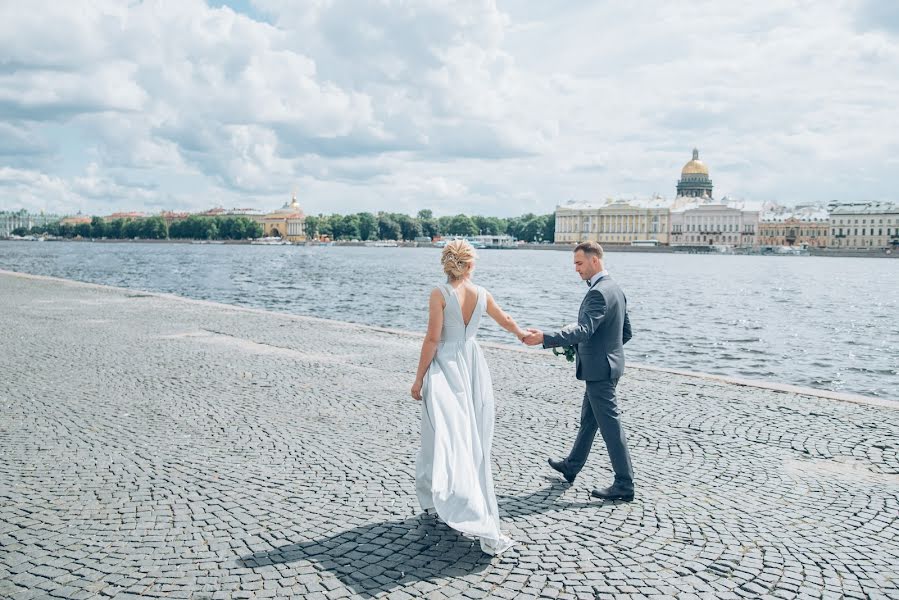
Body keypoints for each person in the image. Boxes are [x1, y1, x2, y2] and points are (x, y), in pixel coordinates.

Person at [411, 240, 525, 555]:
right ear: (470, 265)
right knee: (472, 436)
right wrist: (523, 335)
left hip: (446, 368)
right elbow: (506, 322)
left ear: (446, 264)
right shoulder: (481, 294)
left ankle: (441, 498)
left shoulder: (440, 294)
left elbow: (433, 338)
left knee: (442, 434)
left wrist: (418, 378)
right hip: (473, 365)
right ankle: (456, 496)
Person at [522, 241, 635, 501]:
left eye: (579, 263)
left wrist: (545, 337)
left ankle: (624, 484)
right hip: (609, 366)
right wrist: (606, 351)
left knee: (610, 427)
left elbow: (584, 330)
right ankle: (572, 466)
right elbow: (625, 333)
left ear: (595, 260)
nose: (576, 269)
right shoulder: (615, 289)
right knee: (589, 421)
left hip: (600, 371)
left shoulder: (598, 293)